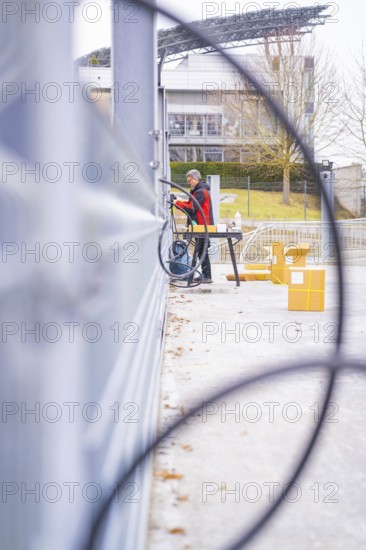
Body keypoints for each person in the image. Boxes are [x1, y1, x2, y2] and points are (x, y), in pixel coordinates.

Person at [174, 169, 214, 283]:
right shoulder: (198, 191)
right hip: (199, 226)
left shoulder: (201, 192)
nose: (189, 183)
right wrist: (178, 202)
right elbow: (190, 204)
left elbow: (192, 209)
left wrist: (177, 203)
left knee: (202, 251)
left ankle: (207, 276)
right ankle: (206, 276)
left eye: (190, 180)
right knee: (202, 251)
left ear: (196, 179)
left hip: (201, 227)